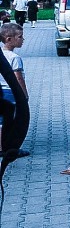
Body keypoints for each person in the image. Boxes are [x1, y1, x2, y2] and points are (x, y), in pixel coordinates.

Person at [0, 23, 31, 157]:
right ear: (8, 39)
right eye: (20, 37)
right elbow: (18, 78)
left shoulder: (2, 55)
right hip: (11, 92)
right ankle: (8, 147)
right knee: (11, 121)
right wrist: (24, 95)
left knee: (1, 120)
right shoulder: (14, 58)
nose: (23, 39)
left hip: (2, 91)